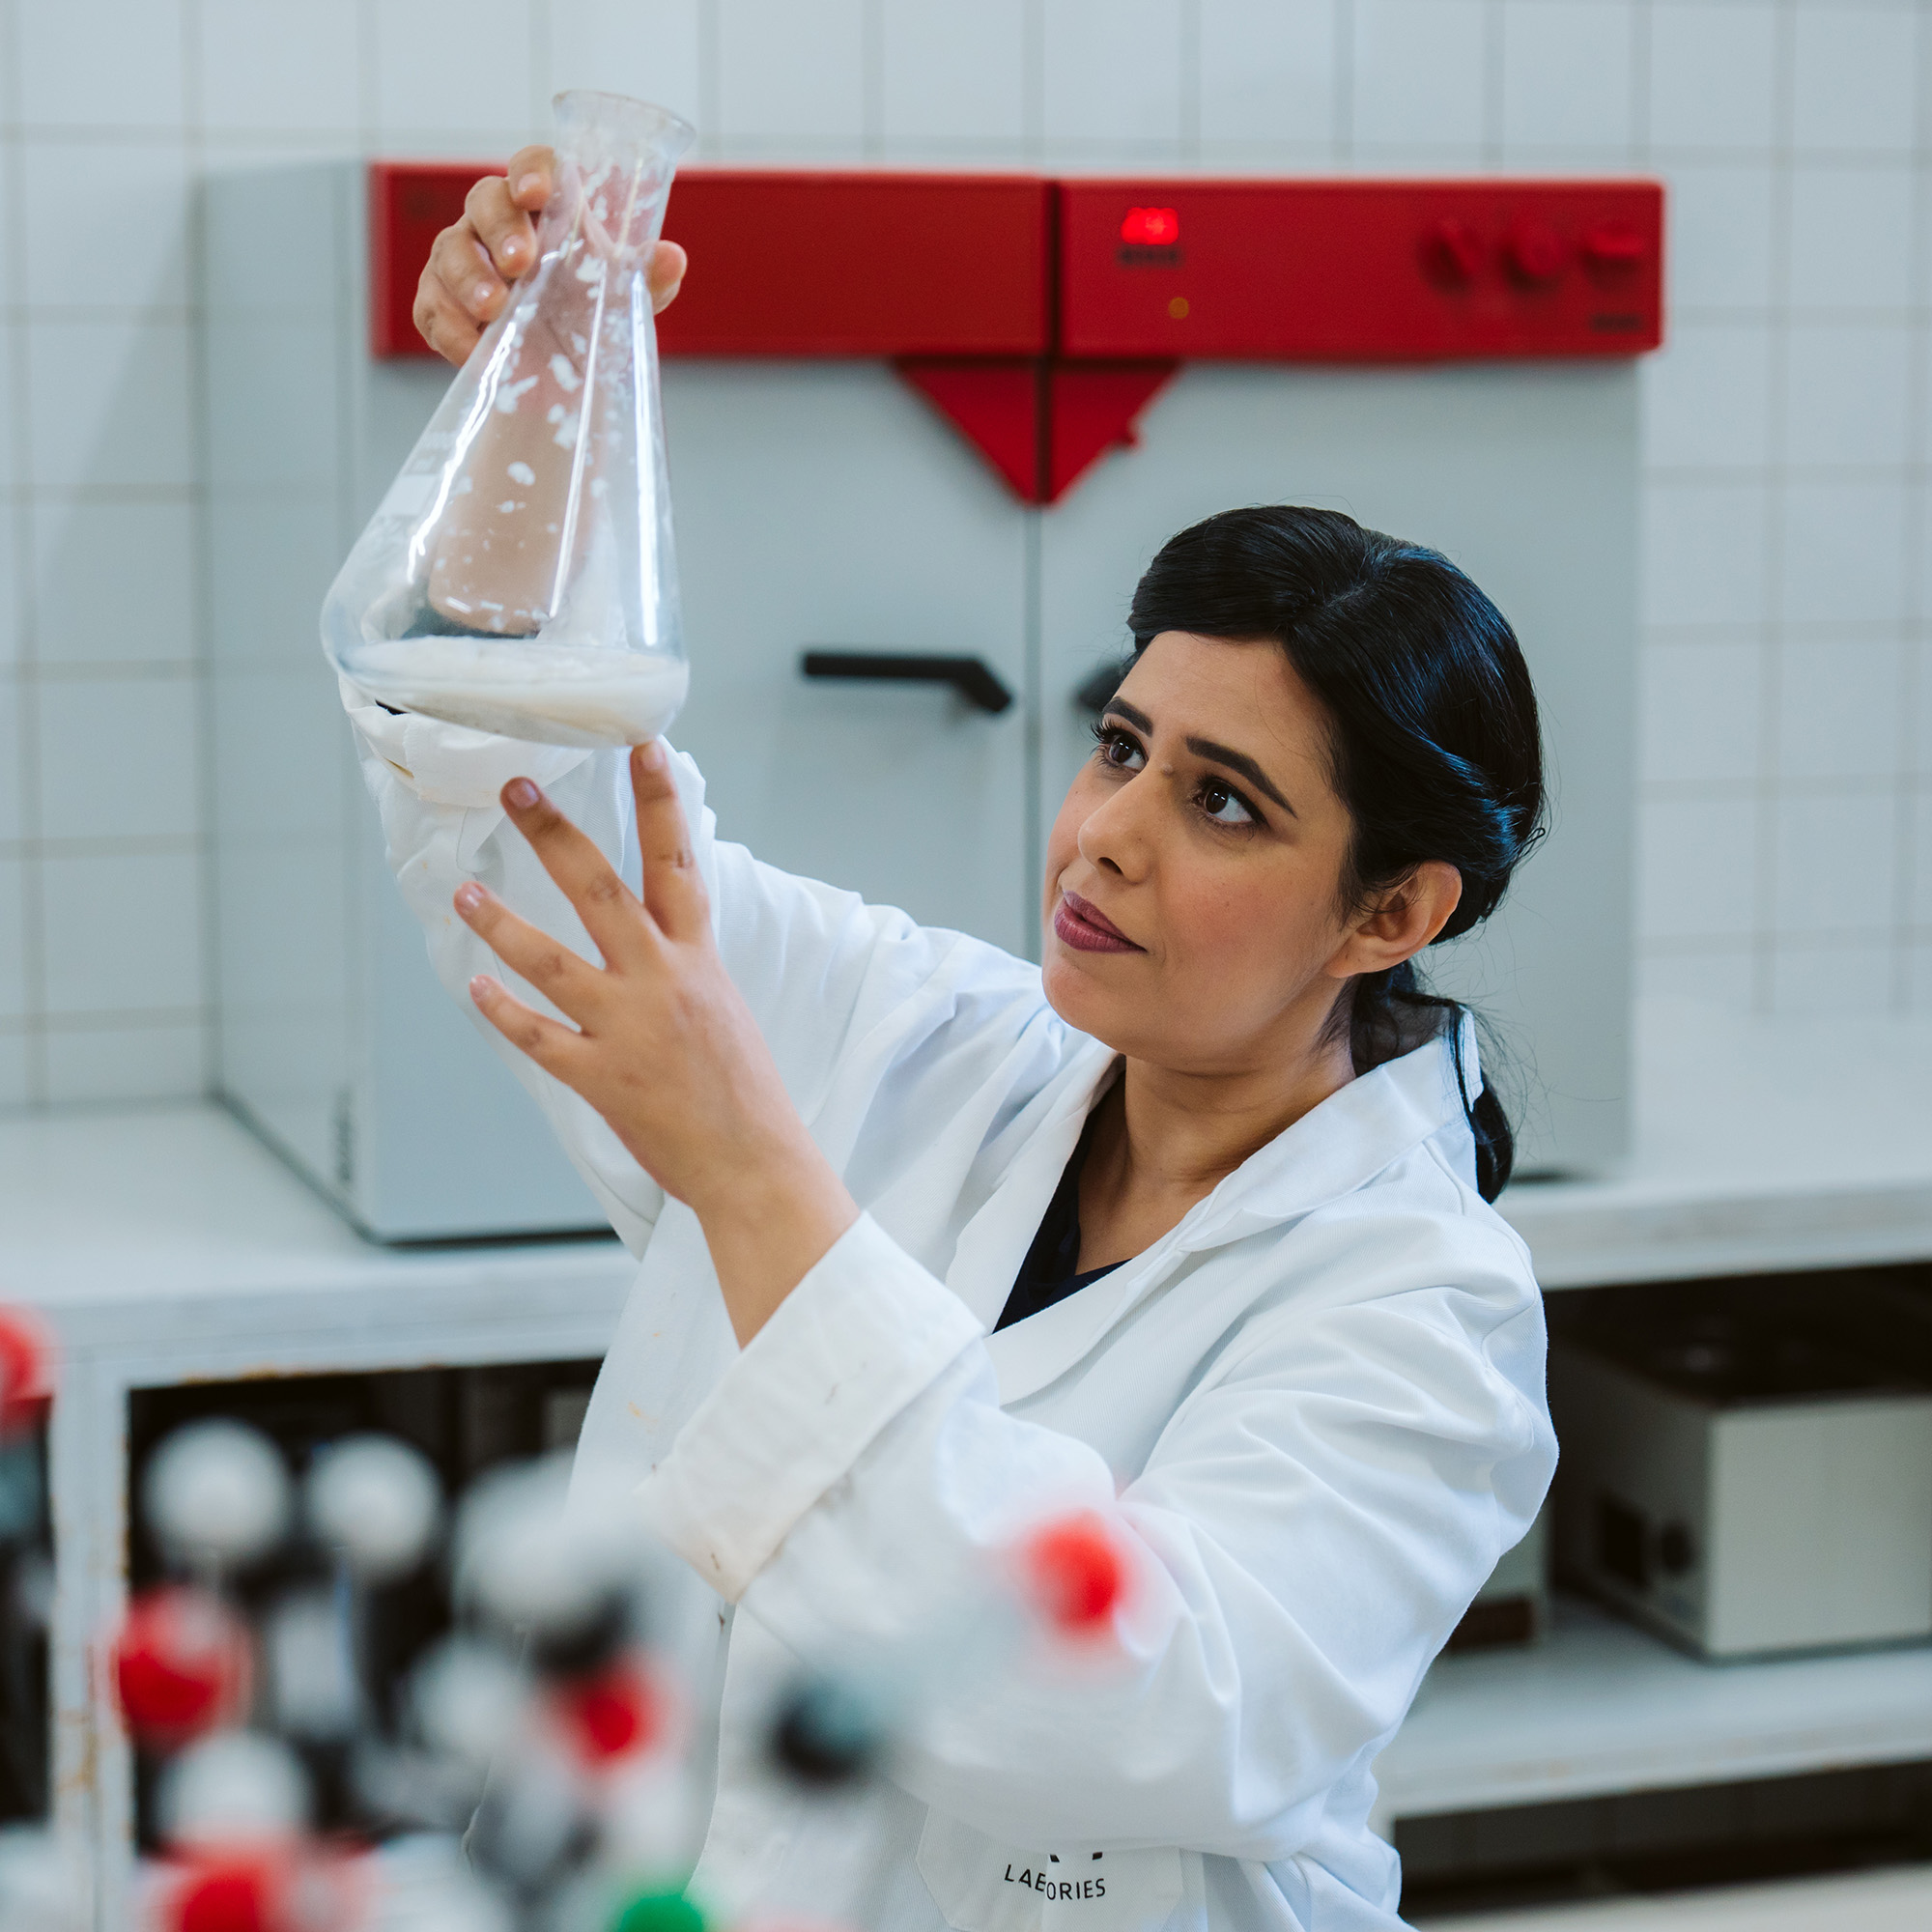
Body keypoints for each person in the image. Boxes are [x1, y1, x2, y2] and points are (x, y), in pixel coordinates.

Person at [358, 147, 1557, 1932]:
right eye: (1125, 745)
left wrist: (752, 1175)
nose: (1109, 835)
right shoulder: (935, 1037)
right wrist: (532, 404)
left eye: (1225, 805)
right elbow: (524, 802)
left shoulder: (1420, 1316)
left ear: (1394, 913)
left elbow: (1133, 1709)